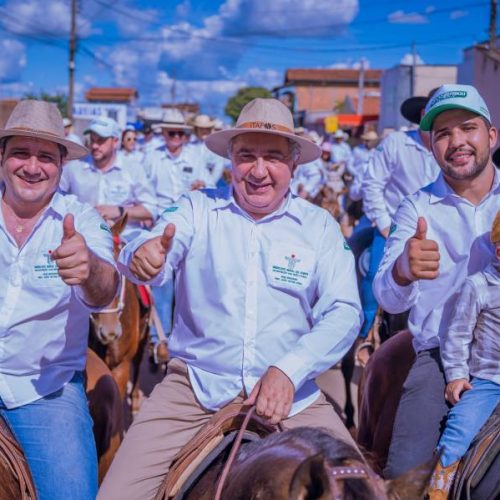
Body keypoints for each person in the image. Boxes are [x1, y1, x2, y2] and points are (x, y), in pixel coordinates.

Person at [98, 98, 362, 499]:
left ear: (294, 164)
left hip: (293, 396)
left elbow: (344, 311)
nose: (258, 171)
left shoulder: (319, 226)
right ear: (230, 161)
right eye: (246, 156)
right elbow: (152, 243)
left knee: (358, 486)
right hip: (194, 390)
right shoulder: (197, 208)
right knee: (117, 495)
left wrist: (288, 371)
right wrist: (142, 255)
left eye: (272, 157)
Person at [373, 84, 500, 478]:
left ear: (491, 136)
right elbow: (388, 298)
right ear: (431, 146)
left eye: (467, 128)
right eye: (443, 134)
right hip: (441, 358)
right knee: (405, 476)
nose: (456, 141)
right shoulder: (416, 207)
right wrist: (403, 270)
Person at [0, 100, 119, 499]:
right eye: (20, 152)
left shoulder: (81, 220)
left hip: (43, 391)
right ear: (2, 157)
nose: (32, 167)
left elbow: (107, 290)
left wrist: (89, 269)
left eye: (46, 157)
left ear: (61, 166)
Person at [427, 210, 500, 498]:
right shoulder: (479, 286)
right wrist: (457, 376)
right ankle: (439, 486)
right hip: (489, 379)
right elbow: (457, 335)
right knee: (461, 425)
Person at [358, 89, 440, 339]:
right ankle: (365, 335)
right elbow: (372, 183)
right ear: (422, 114)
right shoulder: (396, 142)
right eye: (431, 112)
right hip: (395, 227)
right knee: (375, 276)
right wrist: (383, 224)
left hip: (437, 231)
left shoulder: (449, 148)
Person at [59, 115, 157, 241]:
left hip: (124, 240)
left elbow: (151, 209)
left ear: (115, 141)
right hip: (84, 239)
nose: (94, 146)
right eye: (92, 140)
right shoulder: (74, 168)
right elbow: (55, 200)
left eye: (101, 140)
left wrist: (119, 210)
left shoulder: (133, 169)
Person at [188, 114, 227, 187]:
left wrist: (206, 183)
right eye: (201, 128)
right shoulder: (188, 147)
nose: (204, 131)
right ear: (196, 129)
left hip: (209, 188)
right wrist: (191, 183)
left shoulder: (217, 148)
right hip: (189, 187)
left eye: (207, 128)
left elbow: (218, 170)